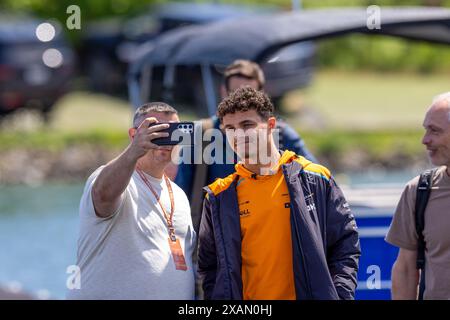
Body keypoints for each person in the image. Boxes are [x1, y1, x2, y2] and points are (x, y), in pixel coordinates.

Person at [197, 87, 360, 300]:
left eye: (247, 125)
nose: (238, 135)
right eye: (230, 128)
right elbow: (209, 267)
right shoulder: (218, 195)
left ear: (271, 126)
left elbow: (345, 245)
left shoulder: (315, 177)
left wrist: (340, 296)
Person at [66, 102, 196, 300]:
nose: (166, 139)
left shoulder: (178, 194)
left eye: (173, 131)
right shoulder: (113, 179)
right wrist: (134, 151)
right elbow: (103, 195)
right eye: (155, 131)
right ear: (134, 135)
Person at [175, 59, 317, 231]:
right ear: (223, 92)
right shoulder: (200, 135)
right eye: (234, 92)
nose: (241, 101)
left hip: (270, 233)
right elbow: (179, 196)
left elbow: (315, 186)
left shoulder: (282, 135)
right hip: (217, 239)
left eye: (249, 93)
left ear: (262, 94)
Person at [386, 92, 450, 300]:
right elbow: (405, 268)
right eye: (425, 129)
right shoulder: (419, 191)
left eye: (434, 131)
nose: (425, 140)